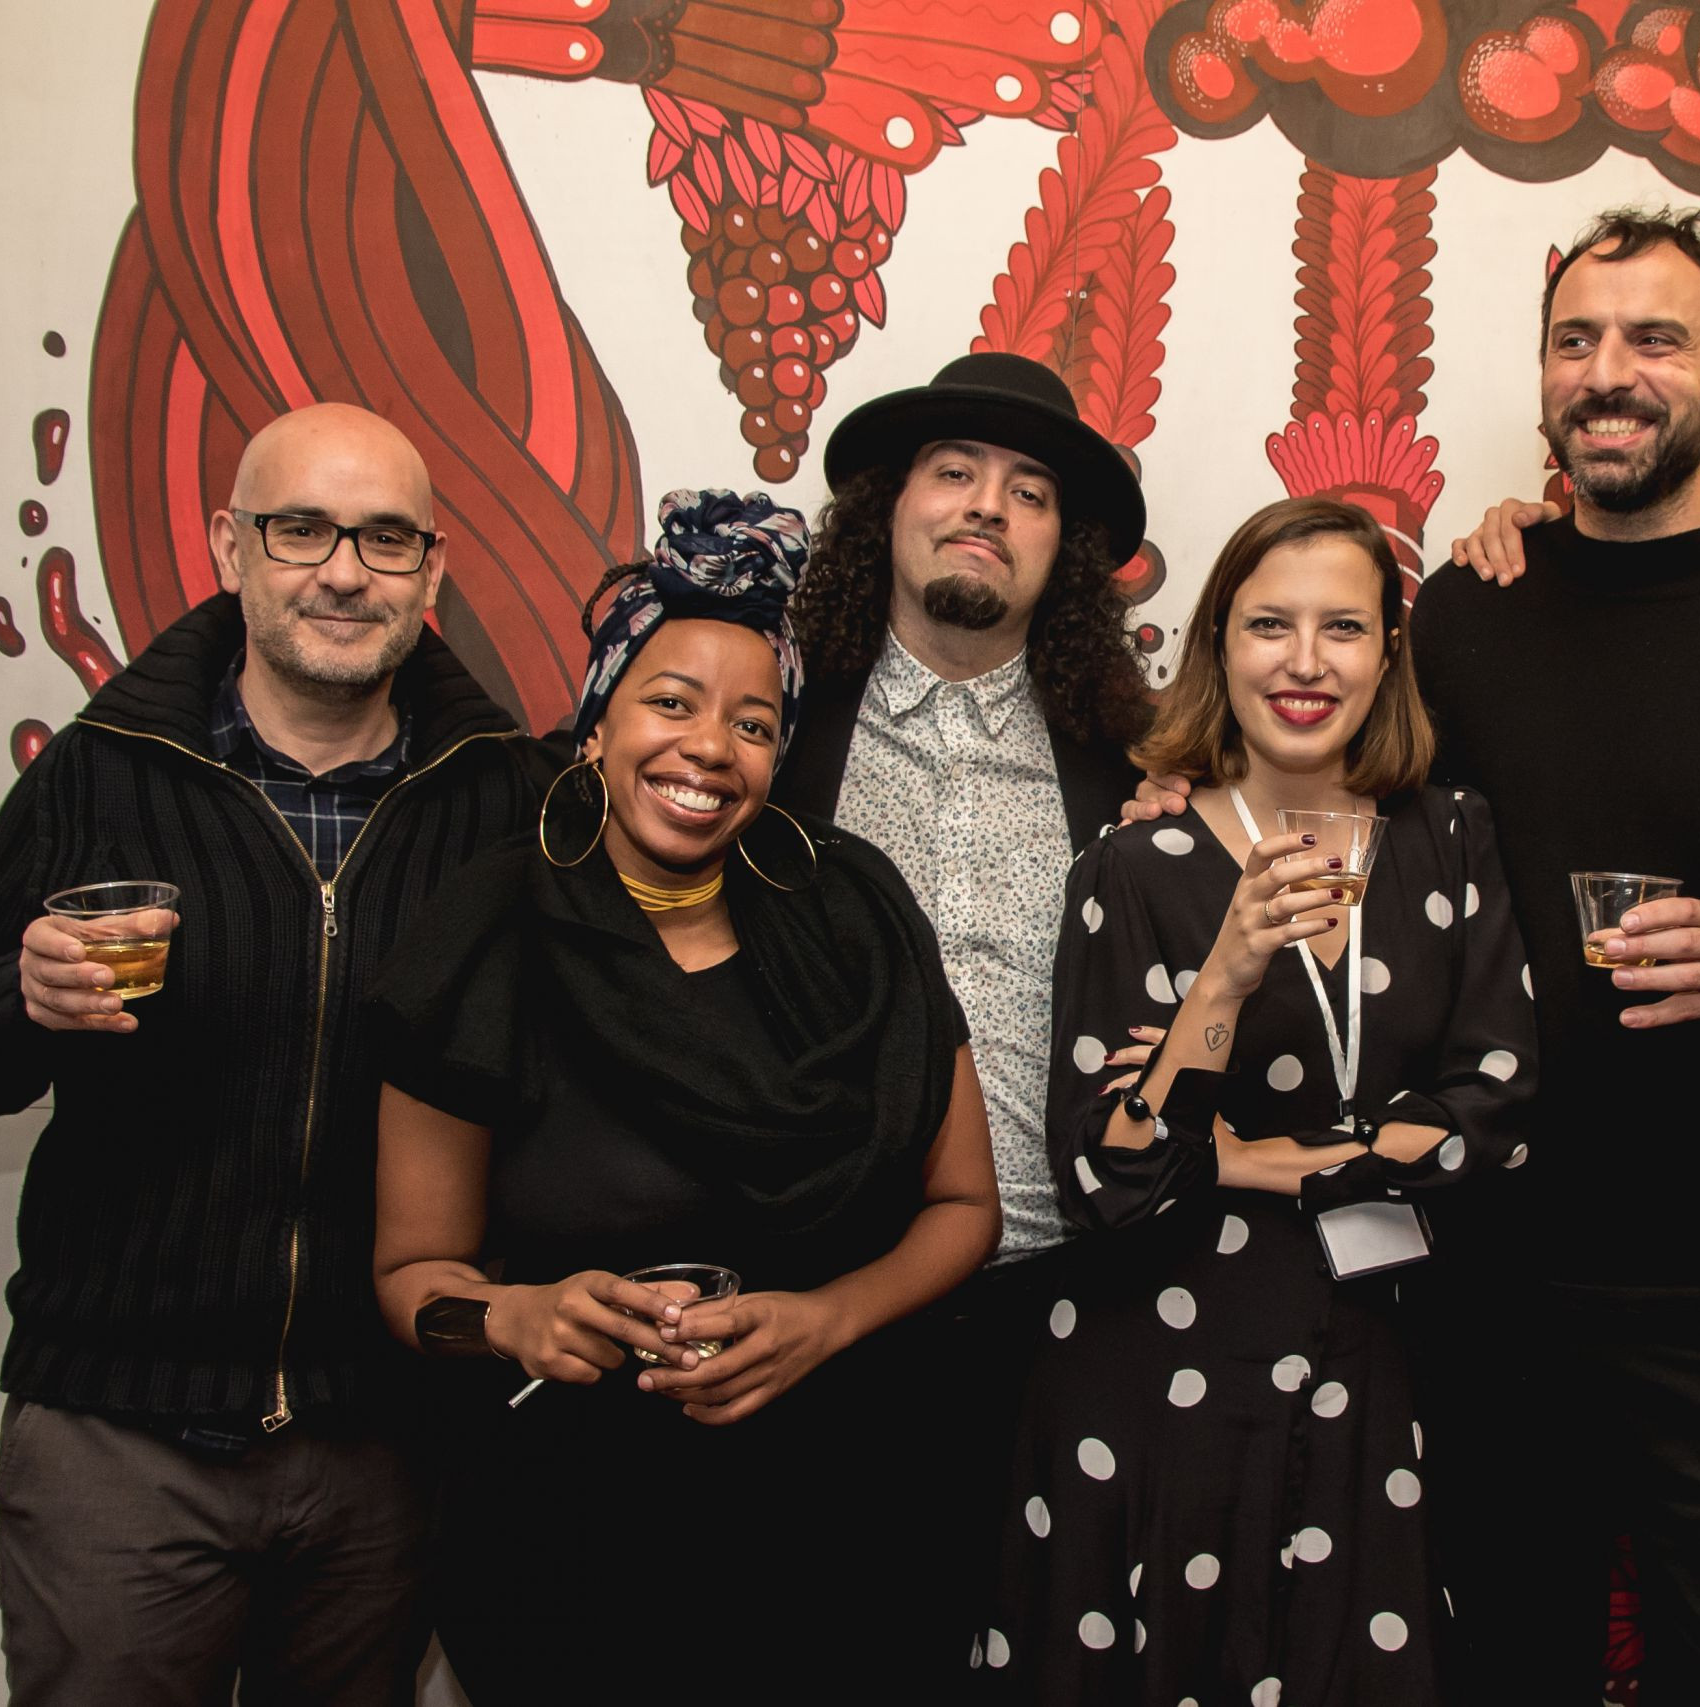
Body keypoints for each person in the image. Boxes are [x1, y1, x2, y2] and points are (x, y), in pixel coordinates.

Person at [1154, 208, 1700, 1701]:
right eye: (1576, 340)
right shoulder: (1466, 612)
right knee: (1507, 1656)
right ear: (1541, 374)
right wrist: (1180, 792)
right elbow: (1322, 781)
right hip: (1489, 1273)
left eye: (1656, 338)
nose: (1610, 373)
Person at [0, 403, 534, 1704]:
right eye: (302, 527)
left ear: (431, 571)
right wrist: (19, 995)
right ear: (231, 545)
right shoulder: (107, 770)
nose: (341, 569)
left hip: (383, 1443)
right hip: (120, 1442)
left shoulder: (499, 798)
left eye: (384, 538)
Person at [368, 488, 1000, 1701]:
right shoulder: (488, 932)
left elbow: (963, 1207)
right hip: (570, 1542)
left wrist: (826, 1319)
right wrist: (513, 1317)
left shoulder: (852, 912)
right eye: (669, 702)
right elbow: (411, 1283)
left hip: (844, 1522)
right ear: (596, 725)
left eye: (755, 723)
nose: (710, 748)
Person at [984, 496, 1537, 1703]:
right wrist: (1225, 977)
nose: (1302, 661)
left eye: (1341, 626)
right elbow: (1107, 1176)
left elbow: (1493, 1112)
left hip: (1375, 1364)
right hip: (1156, 1379)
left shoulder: (1447, 836)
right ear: (1216, 645)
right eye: (1267, 624)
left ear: (1387, 651)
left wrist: (1253, 1158)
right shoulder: (1134, 865)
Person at [781, 350, 1156, 1646]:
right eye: (954, 472)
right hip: (810, 1304)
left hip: (1055, 1309)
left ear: (1067, 549)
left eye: (1031, 489)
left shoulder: (1127, 770)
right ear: (887, 506)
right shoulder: (767, 734)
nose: (987, 506)